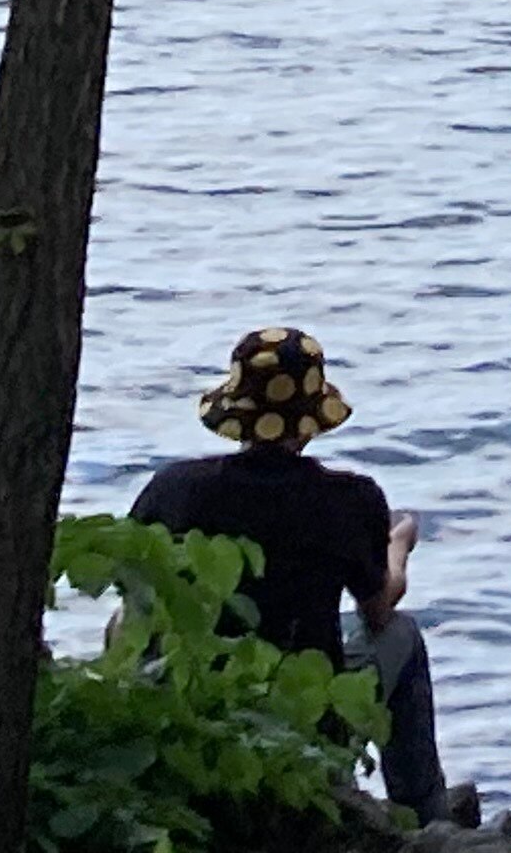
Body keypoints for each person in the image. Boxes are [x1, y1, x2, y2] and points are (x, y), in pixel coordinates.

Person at [127, 327, 470, 827]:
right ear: (310, 423)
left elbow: (135, 588)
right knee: (403, 636)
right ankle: (425, 819)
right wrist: (399, 542)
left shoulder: (174, 490)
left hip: (198, 710)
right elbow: (378, 607)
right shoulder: (348, 499)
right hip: (308, 718)